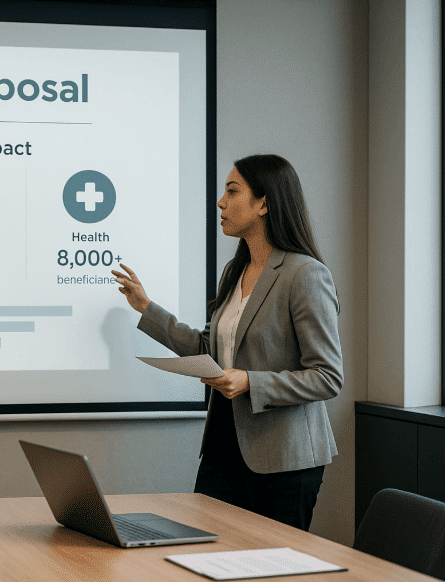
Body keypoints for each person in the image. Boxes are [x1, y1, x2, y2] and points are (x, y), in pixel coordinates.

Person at [113, 154, 342, 531]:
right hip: (223, 451)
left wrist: (250, 381)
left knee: (271, 568)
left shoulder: (305, 275)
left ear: (264, 203)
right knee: (206, 557)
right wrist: (146, 308)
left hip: (284, 462)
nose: (220, 202)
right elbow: (210, 350)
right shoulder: (235, 271)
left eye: (232, 191)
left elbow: (327, 377)